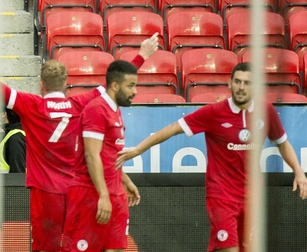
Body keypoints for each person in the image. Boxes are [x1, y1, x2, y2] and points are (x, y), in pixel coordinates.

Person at [0, 34, 158, 252]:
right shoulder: (80, 103)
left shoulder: (31, 105)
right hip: (77, 192)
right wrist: (141, 55)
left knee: (45, 247)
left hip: (45, 192)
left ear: (41, 85)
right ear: (66, 84)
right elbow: (111, 87)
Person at [116, 62, 307, 252]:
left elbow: (282, 142)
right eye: (237, 82)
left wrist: (299, 172)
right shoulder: (214, 112)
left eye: (247, 83)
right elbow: (173, 128)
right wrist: (137, 150)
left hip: (252, 196)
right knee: (229, 248)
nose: (241, 87)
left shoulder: (266, 112)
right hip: (221, 196)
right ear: (229, 83)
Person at [62, 60, 144, 252]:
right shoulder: (96, 109)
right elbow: (91, 155)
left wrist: (125, 180)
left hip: (114, 193)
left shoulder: (115, 110)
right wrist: (104, 195)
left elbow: (109, 156)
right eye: (130, 86)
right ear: (115, 86)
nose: (135, 91)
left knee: (116, 249)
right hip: (91, 195)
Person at [0, 109, 26, 173]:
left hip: (9, 183)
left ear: (3, 114)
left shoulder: (16, 139)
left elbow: (17, 176)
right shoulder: (16, 134)